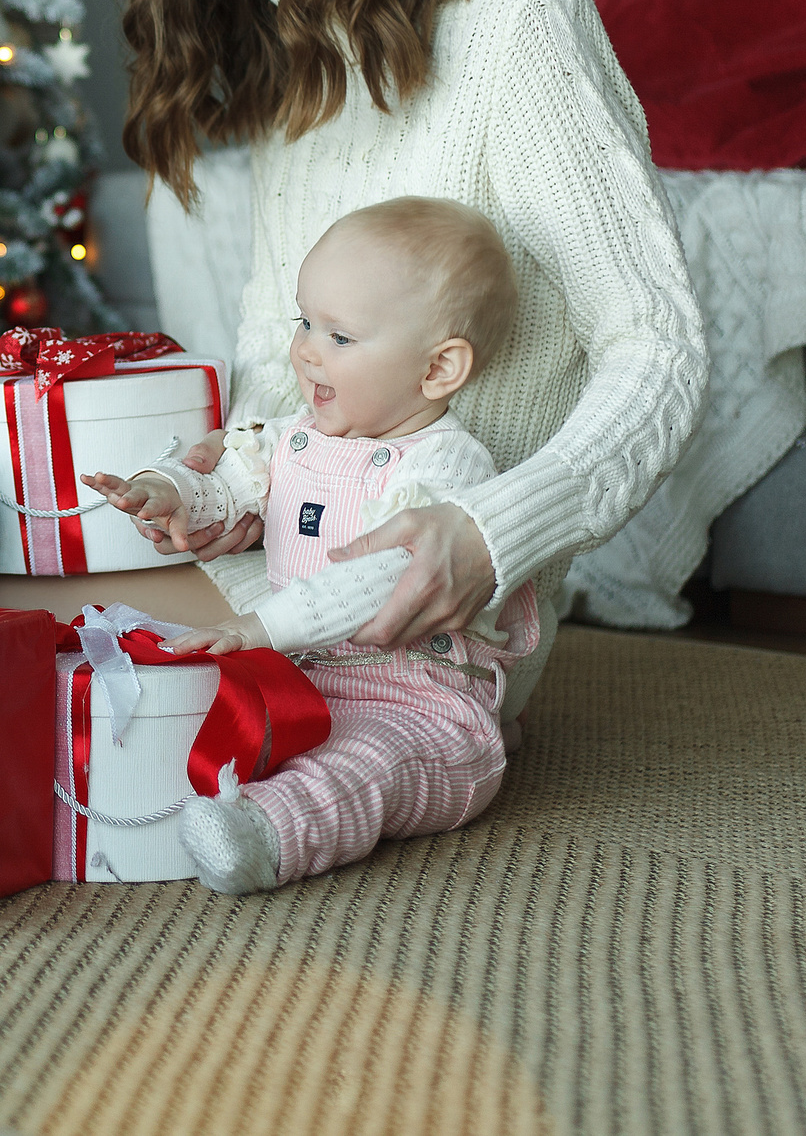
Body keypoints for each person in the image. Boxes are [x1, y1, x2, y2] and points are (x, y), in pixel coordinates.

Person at [115, 0, 708, 886]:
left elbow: (658, 346)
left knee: (88, 655)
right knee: (28, 590)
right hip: (293, 561)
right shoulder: (303, 27)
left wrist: (489, 534)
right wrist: (218, 482)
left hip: (432, 614)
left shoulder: (515, 16)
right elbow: (279, 367)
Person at [85, 197, 526, 893]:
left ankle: (270, 833)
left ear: (438, 369)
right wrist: (171, 490)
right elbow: (231, 481)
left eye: (340, 336)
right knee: (185, 710)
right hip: (301, 679)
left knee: (367, 765)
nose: (307, 350)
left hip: (413, 703)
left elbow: (380, 579)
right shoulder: (296, 437)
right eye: (305, 322)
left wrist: (258, 628)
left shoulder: (446, 466)